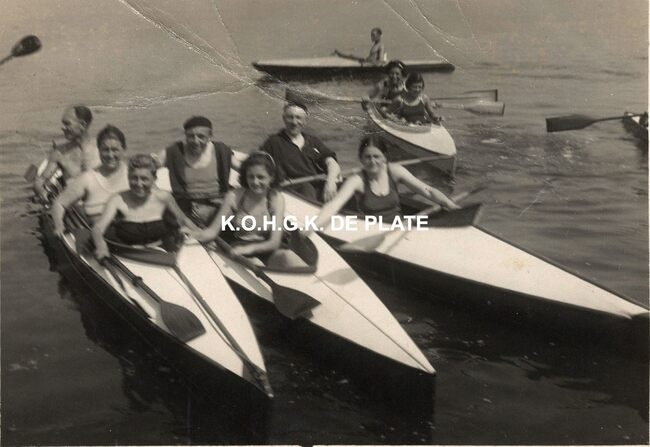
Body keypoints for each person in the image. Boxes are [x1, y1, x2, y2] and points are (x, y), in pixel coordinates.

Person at [305, 135, 459, 233]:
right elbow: (334, 205)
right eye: (367, 157)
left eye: (376, 156)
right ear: (361, 159)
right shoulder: (357, 180)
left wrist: (451, 206)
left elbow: (428, 191)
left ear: (385, 157)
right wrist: (312, 226)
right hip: (373, 232)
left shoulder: (396, 171)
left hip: (399, 228)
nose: (372, 161)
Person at [190, 152, 305, 268]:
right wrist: (192, 234)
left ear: (272, 177)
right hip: (240, 247)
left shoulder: (276, 199)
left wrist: (251, 248)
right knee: (256, 262)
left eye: (261, 177)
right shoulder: (234, 196)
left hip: (266, 247)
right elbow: (212, 231)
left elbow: (274, 242)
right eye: (251, 177)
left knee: (289, 256)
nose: (255, 182)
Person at [92, 154, 199, 260]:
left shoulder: (164, 197)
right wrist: (101, 246)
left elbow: (183, 220)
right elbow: (98, 228)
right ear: (128, 177)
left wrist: (201, 234)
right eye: (134, 178)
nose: (139, 184)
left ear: (154, 179)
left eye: (144, 179)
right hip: (128, 255)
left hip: (162, 254)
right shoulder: (117, 200)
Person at [153, 116, 240, 226]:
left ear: (210, 136)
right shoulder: (173, 152)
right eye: (190, 136)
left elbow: (245, 170)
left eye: (201, 136)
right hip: (186, 207)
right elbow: (146, 170)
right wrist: (158, 192)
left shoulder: (221, 151)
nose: (195, 141)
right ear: (185, 136)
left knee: (238, 223)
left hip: (219, 204)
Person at [51, 125, 130, 236]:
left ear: (124, 150)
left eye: (115, 150)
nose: (110, 155)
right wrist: (59, 225)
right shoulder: (88, 178)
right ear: (99, 150)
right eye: (105, 150)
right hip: (103, 237)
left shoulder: (134, 175)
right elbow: (59, 203)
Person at [259, 101, 341, 202]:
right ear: (284, 118)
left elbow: (332, 163)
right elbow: (258, 164)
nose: (294, 122)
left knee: (347, 185)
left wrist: (331, 181)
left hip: (319, 186)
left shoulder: (313, 141)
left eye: (298, 118)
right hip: (295, 190)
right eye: (290, 117)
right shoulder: (273, 142)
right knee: (306, 188)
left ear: (305, 120)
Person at [34, 105, 101, 196]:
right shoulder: (60, 152)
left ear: (83, 125)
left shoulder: (102, 148)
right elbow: (40, 181)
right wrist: (42, 192)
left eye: (67, 124)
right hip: (71, 202)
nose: (63, 127)